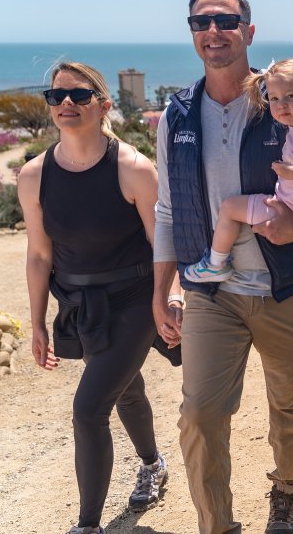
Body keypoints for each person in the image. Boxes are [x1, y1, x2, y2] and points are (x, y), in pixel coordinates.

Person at [152, 0, 293, 534]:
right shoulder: (176, 116)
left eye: (225, 20)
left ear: (248, 31)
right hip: (211, 291)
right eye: (201, 22)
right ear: (193, 34)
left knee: (287, 404)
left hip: (288, 286)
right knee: (199, 416)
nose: (214, 31)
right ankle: (216, 527)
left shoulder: (288, 98)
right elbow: (169, 211)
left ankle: (286, 491)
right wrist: (164, 288)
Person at [17, 61, 175, 534]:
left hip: (134, 298)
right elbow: (40, 256)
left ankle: (88, 526)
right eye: (56, 96)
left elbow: (162, 242)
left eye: (79, 95)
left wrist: (168, 299)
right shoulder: (33, 175)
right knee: (125, 386)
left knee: (89, 409)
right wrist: (38, 322)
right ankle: (152, 464)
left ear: (103, 105)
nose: (66, 103)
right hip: (81, 304)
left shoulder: (132, 168)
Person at [183, 58, 293, 282]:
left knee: (229, 208)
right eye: (273, 98)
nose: (281, 104)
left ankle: (215, 264)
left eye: (290, 96)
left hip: (290, 206)